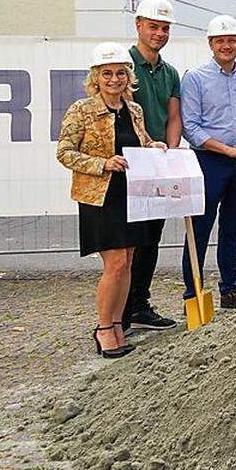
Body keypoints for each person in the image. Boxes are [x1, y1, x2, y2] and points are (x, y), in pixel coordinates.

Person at [57, 42, 167, 357]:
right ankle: (104, 327)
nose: (114, 79)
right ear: (96, 77)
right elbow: (64, 152)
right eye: (107, 73)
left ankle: (119, 323)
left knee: (129, 260)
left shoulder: (134, 110)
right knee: (115, 262)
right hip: (100, 197)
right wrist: (102, 163)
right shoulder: (82, 110)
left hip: (131, 194)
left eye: (120, 73)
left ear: (128, 76)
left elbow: (141, 141)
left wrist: (154, 146)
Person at [179, 15, 236, 310]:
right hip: (208, 162)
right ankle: (193, 294)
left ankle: (229, 290)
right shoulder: (195, 78)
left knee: (232, 229)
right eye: (221, 41)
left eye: (232, 40)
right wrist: (226, 151)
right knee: (199, 229)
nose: (227, 46)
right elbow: (191, 127)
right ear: (211, 44)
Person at [123, 0, 182, 331]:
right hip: (131, 163)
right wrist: (148, 144)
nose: (159, 33)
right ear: (139, 26)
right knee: (128, 241)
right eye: (153, 27)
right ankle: (121, 309)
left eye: (164, 28)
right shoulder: (125, 66)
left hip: (158, 162)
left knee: (151, 237)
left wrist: (171, 150)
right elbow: (130, 114)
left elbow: (174, 117)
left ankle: (140, 304)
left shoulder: (170, 72)